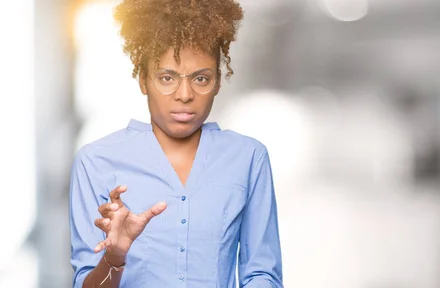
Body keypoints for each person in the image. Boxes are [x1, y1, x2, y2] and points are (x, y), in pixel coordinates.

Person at [68, 0, 283, 287]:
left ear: (218, 81)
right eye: (167, 77)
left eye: (201, 78)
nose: (184, 94)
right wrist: (115, 257)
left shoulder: (248, 158)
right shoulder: (95, 162)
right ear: (143, 80)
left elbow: (262, 274)